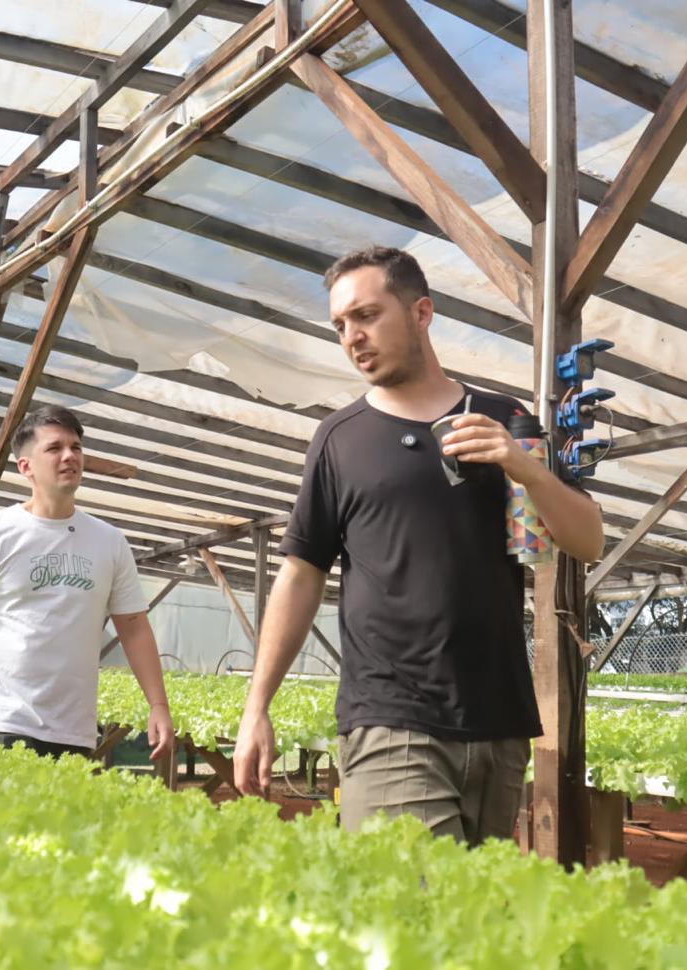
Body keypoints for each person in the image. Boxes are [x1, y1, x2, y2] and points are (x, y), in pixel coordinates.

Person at [233, 247, 604, 845]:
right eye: (340, 326)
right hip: (392, 719)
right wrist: (257, 706)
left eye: (367, 316)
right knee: (408, 913)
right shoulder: (340, 440)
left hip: (499, 724)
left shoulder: (502, 417)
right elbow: (301, 573)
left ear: (422, 312)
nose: (352, 337)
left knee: (471, 924)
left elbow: (586, 540)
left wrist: (526, 468)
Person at [0, 404, 175, 762]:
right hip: (2, 724)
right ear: (25, 466)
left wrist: (158, 704)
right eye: (54, 448)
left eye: (76, 447)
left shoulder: (109, 541)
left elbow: (134, 627)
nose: (69, 456)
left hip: (76, 730)